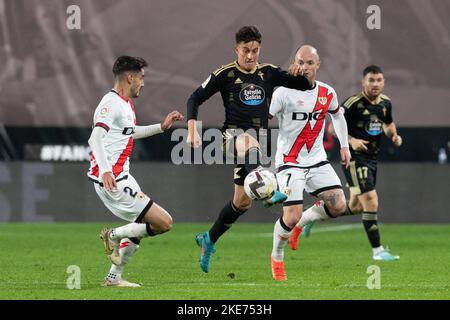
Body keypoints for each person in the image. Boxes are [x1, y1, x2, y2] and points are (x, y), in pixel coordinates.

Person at [186, 26, 312, 273]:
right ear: (237, 49)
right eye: (246, 50)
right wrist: (192, 129)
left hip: (256, 146)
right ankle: (270, 189)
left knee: (241, 203)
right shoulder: (225, 74)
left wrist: (300, 74)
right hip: (232, 138)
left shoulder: (269, 73)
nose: (251, 56)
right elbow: (194, 98)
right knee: (248, 141)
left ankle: (208, 239)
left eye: (255, 50)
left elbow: (304, 86)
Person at [289, 65, 402, 261]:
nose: (375, 84)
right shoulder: (353, 104)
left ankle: (312, 215)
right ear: (363, 82)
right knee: (372, 201)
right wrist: (351, 141)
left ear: (383, 82)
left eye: (379, 80)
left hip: (372, 158)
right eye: (371, 80)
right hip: (355, 159)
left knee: (357, 206)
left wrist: (394, 136)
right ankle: (378, 251)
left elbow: (388, 123)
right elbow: (332, 128)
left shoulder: (385, 103)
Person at [87, 56, 183, 287]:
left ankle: (113, 277)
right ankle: (113, 235)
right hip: (114, 181)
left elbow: (128, 132)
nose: (143, 83)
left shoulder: (125, 103)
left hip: (123, 177)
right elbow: (95, 138)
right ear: (130, 77)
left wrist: (161, 127)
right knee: (164, 223)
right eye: (141, 77)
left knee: (138, 229)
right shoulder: (110, 104)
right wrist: (106, 171)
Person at [269, 45, 351, 281]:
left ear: (318, 65)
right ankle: (276, 255)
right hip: (289, 162)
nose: (304, 67)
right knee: (291, 215)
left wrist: (344, 145)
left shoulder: (327, 92)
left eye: (309, 63)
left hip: (317, 161)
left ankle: (302, 224)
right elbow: (264, 118)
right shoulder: (283, 92)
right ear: (294, 63)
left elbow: (338, 115)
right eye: (300, 62)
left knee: (338, 206)